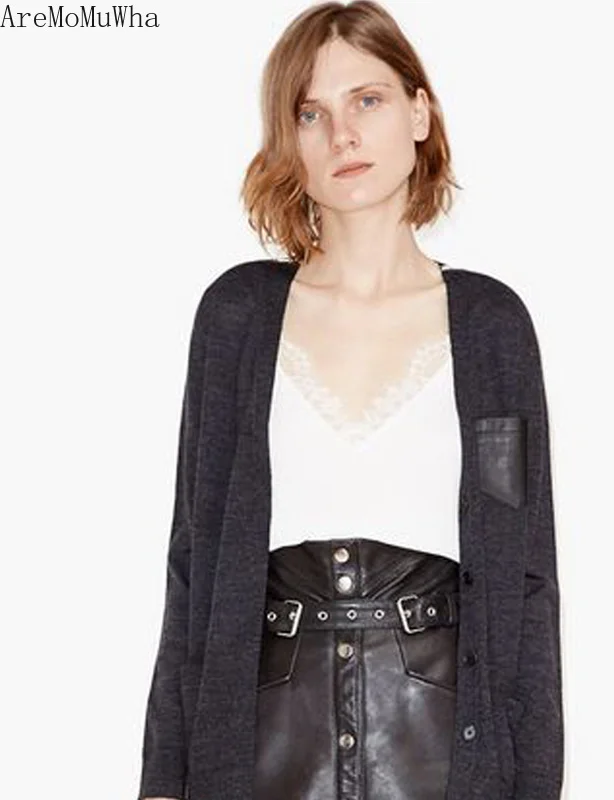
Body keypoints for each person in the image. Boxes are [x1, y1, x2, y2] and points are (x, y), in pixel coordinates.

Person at [138, 2, 564, 799]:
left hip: (448, 754)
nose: (343, 134)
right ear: (288, 139)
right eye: (311, 113)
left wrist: (535, 783)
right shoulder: (237, 318)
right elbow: (192, 566)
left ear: (418, 112)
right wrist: (163, 782)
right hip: (259, 752)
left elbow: (527, 582)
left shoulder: (491, 327)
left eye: (367, 99)